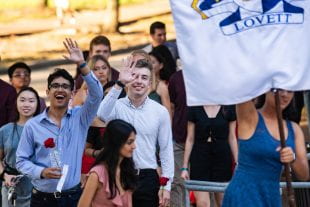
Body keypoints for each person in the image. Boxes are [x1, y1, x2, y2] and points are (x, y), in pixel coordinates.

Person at [15, 38, 103, 207]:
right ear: (48, 92)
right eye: (55, 86)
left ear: (72, 93)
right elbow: (21, 160)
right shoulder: (33, 125)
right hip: (42, 199)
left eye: (65, 86)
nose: (60, 89)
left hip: (72, 197)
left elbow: (97, 94)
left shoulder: (81, 117)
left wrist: (82, 64)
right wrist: (41, 172)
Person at [97, 57, 174, 207]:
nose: (139, 81)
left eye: (144, 77)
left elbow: (166, 150)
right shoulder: (117, 106)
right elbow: (101, 114)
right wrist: (119, 84)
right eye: (134, 76)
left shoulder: (160, 112)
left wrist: (167, 185)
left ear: (150, 83)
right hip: (119, 174)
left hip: (147, 177)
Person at [222, 90, 309, 207]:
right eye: (279, 89)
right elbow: (242, 87)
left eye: (290, 90)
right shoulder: (251, 117)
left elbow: (304, 175)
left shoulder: (294, 129)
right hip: (243, 196)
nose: (285, 94)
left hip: (270, 197)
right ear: (266, 89)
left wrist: (292, 158)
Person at [181, 105, 237, 207]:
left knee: (223, 202)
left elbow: (232, 138)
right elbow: (190, 139)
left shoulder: (229, 107)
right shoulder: (195, 106)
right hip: (200, 157)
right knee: (203, 204)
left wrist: (237, 163)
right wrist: (185, 167)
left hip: (222, 158)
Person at [77, 119, 137, 207]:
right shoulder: (97, 174)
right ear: (116, 142)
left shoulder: (126, 170)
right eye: (129, 142)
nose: (134, 146)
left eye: (134, 141)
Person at [0, 87, 40, 207]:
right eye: (22, 100)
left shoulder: (45, 130)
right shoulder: (5, 130)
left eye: (31, 101)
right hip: (11, 186)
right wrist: (4, 175)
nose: (26, 104)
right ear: (16, 103)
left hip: (37, 188)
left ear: (37, 104)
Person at [168, 70, 187, 207]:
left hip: (203, 141)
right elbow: (173, 107)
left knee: (204, 186)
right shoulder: (176, 78)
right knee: (176, 183)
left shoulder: (208, 76)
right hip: (179, 138)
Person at [148, 51, 172, 117]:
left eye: (152, 62)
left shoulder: (162, 86)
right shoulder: (139, 84)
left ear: (161, 66)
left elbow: (168, 114)